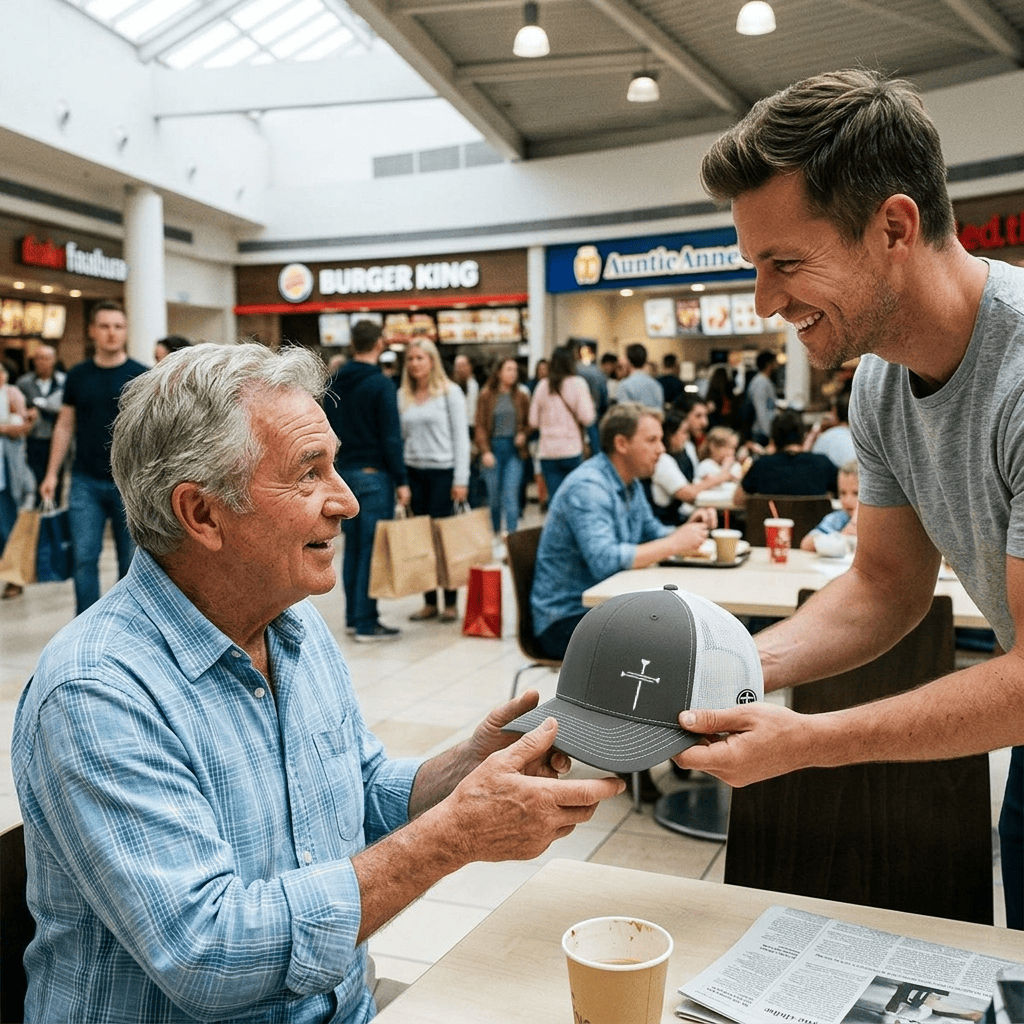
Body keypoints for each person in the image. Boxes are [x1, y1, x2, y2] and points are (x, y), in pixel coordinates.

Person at [11, 341, 624, 1024]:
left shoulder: (290, 627)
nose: (346, 503)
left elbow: (356, 792)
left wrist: (465, 768)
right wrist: (452, 837)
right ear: (202, 513)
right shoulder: (99, 692)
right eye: (310, 474)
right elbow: (208, 955)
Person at [674, 68, 1024, 930]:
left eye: (785, 263)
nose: (765, 300)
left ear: (894, 227)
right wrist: (734, 671)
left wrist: (816, 742)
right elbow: (883, 587)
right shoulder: (880, 386)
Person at [531, 400, 716, 661]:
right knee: (677, 646)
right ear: (621, 444)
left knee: (691, 629)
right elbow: (605, 561)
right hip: (566, 620)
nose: (661, 450)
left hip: (604, 609)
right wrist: (675, 543)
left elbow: (652, 532)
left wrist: (687, 528)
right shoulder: (588, 487)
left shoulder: (631, 483)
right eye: (652, 440)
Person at [39, 301, 147, 614]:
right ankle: (86, 623)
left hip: (127, 483)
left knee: (130, 561)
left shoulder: (139, 375)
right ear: (92, 332)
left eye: (118, 326)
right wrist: (51, 474)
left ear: (125, 332)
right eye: (104, 326)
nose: (111, 333)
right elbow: (64, 425)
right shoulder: (77, 375)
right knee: (84, 557)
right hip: (84, 480)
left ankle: (127, 622)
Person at [324, 319, 410, 642]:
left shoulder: (334, 381)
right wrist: (402, 480)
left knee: (353, 550)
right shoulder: (381, 384)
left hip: (343, 474)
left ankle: (352, 616)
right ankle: (366, 621)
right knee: (371, 551)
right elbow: (391, 438)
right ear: (378, 343)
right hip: (375, 477)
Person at [399, 338, 470, 622]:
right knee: (421, 539)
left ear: (432, 360)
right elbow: (401, 438)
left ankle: (450, 601)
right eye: (411, 358)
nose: (415, 363)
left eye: (420, 357)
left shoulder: (450, 392)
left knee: (445, 540)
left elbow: (461, 438)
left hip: (444, 472)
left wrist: (461, 479)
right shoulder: (402, 394)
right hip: (415, 472)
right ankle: (429, 601)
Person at [528, 344, 596, 502]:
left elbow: (532, 421)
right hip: (571, 449)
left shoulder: (542, 385)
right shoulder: (578, 384)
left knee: (556, 500)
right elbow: (587, 418)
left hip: (547, 452)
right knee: (575, 499)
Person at [649, 408, 734, 526]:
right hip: (665, 524)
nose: (686, 437)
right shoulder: (662, 460)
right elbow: (688, 494)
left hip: (669, 523)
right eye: (684, 432)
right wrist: (721, 477)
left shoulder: (681, 454)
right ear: (669, 435)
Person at [734, 408, 838, 505]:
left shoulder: (761, 465)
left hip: (772, 523)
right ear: (803, 436)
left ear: (773, 439)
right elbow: (844, 494)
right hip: (815, 524)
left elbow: (737, 499)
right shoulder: (823, 464)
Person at [475, 356, 529, 536]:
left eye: (515, 370)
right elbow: (480, 425)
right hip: (493, 448)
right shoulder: (486, 396)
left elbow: (530, 422)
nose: (513, 373)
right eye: (508, 369)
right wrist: (485, 451)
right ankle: (497, 535)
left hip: (514, 450)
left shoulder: (521, 396)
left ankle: (512, 538)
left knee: (510, 495)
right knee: (494, 498)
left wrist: (524, 434)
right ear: (498, 373)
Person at [0, 359, 36, 599]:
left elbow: (24, 426)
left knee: (7, 528)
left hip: (6, 469)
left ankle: (14, 577)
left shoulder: (11, 393)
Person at [16, 344, 65, 506]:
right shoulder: (24, 383)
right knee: (35, 480)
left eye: (47, 358)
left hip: (58, 438)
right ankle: (36, 520)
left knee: (57, 480)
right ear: (34, 361)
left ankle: (54, 515)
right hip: (34, 438)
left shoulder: (64, 381)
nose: (43, 362)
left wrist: (44, 405)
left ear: (54, 360)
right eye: (39, 358)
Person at [800, 459, 858, 551]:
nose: (847, 500)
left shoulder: (880, 520)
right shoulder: (839, 518)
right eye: (843, 493)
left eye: (856, 493)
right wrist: (843, 535)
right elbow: (806, 544)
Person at [452, 353, 484, 508]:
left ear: (470, 367)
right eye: (458, 366)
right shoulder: (451, 387)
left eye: (463, 365)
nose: (460, 369)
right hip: (455, 436)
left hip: (472, 435)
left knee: (472, 477)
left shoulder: (477, 385)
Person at [805, 393, 856, 469]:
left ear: (836, 412)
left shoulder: (826, 437)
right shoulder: (862, 436)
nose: (829, 414)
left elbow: (810, 463)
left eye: (832, 411)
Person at [614, 343, 664, 409]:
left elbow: (624, 415)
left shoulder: (624, 386)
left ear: (628, 361)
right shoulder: (657, 385)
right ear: (645, 361)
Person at [744, 350, 778, 445]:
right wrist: (768, 434)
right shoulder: (760, 383)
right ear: (768, 364)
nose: (777, 365)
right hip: (761, 433)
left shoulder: (764, 381)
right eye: (774, 362)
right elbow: (761, 409)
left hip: (764, 431)